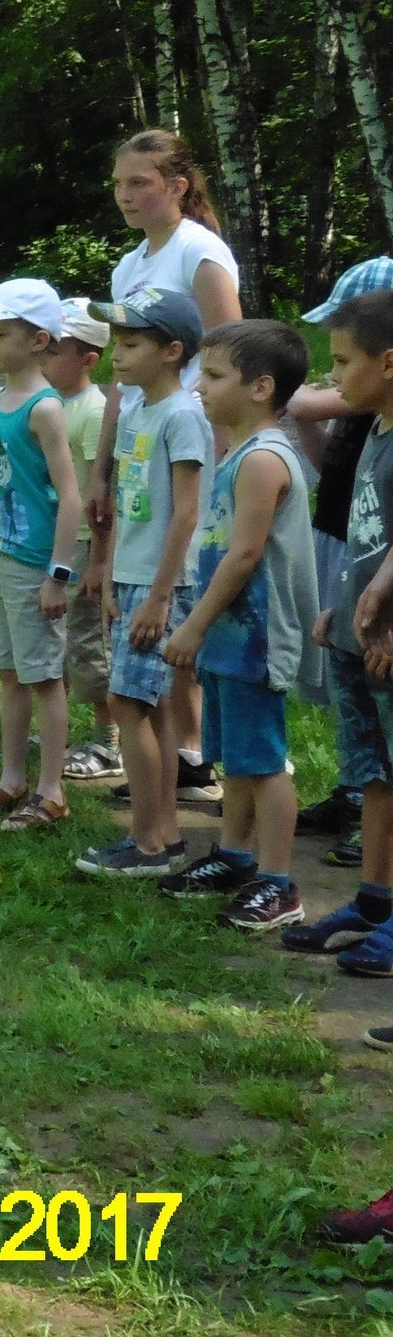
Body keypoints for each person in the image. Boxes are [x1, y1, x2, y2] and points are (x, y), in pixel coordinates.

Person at [92, 129, 244, 805]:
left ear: (177, 187)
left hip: (193, 449)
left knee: (181, 595)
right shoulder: (130, 265)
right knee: (159, 602)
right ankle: (183, 757)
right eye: (119, 185)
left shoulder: (202, 254)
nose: (126, 197)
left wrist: (228, 459)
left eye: (140, 184)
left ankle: (203, 754)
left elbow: (232, 362)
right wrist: (102, 465)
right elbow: (121, 381)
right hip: (142, 448)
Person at [157, 320, 323, 932]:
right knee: (236, 758)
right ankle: (233, 856)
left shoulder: (264, 459)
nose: (200, 386)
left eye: (216, 375)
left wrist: (193, 626)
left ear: (260, 387)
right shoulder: (239, 453)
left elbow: (245, 555)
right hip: (231, 635)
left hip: (255, 636)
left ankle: (278, 883)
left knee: (265, 761)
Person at [73, 287, 210, 880]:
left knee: (130, 703)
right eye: (116, 342)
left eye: (131, 344)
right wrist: (108, 572)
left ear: (172, 351)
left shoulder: (182, 415)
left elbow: (186, 512)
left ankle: (148, 843)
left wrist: (158, 594)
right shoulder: (134, 408)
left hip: (163, 585)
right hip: (133, 578)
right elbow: (128, 505)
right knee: (145, 708)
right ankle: (164, 836)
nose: (117, 355)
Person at [282, 288, 393, 974]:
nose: (332, 375)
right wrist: (345, 597)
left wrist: (381, 594)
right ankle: (375, 901)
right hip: (358, 633)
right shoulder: (374, 427)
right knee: (376, 778)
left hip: (387, 640)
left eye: (343, 362)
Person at [0, 279, 89, 829]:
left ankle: (52, 790)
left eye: (2, 333)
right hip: (1, 554)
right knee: (9, 674)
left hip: (36, 564)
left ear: (38, 341)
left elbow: (70, 496)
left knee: (44, 677)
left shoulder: (44, 409)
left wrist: (57, 575)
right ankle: (12, 779)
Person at [47, 303, 119, 778]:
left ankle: (107, 741)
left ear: (89, 359)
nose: (44, 356)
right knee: (60, 640)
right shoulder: (51, 406)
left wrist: (99, 561)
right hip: (54, 542)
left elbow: (101, 493)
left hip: (84, 544)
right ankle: (62, 728)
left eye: (56, 349)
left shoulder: (93, 411)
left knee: (88, 644)